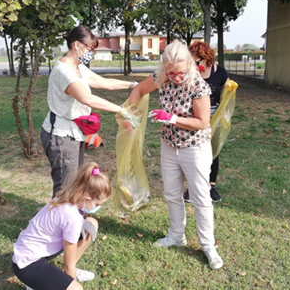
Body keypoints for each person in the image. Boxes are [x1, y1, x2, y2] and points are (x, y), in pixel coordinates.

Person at [128, 40, 223, 270]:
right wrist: (130, 116)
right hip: (169, 145)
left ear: (189, 65)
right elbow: (138, 90)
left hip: (195, 147)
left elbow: (202, 122)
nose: (176, 77)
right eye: (171, 73)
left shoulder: (198, 85)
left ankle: (208, 245)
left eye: (180, 72)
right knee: (172, 194)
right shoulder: (161, 76)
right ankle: (176, 235)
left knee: (201, 198)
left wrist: (171, 118)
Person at [41, 26, 138, 198]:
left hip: (74, 133)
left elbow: (104, 83)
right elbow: (88, 99)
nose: (90, 52)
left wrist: (132, 85)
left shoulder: (78, 67)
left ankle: (72, 220)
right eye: (89, 48)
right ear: (76, 45)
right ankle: (58, 222)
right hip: (61, 135)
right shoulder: (64, 71)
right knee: (65, 187)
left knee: (75, 182)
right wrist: (121, 110)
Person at [12, 162, 111, 290]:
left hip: (37, 250)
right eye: (97, 204)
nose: (98, 208)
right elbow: (68, 265)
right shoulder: (71, 218)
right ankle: (34, 283)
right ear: (87, 199)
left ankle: (53, 279)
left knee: (91, 224)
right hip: (27, 264)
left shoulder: (68, 197)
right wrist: (71, 281)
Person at [184, 41, 229, 203]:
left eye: (197, 61)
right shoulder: (189, 73)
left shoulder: (219, 72)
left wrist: (231, 88)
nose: (195, 65)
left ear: (206, 58)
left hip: (214, 119)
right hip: (194, 118)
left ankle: (211, 186)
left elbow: (227, 90)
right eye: (192, 61)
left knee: (213, 152)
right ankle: (193, 187)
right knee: (194, 153)